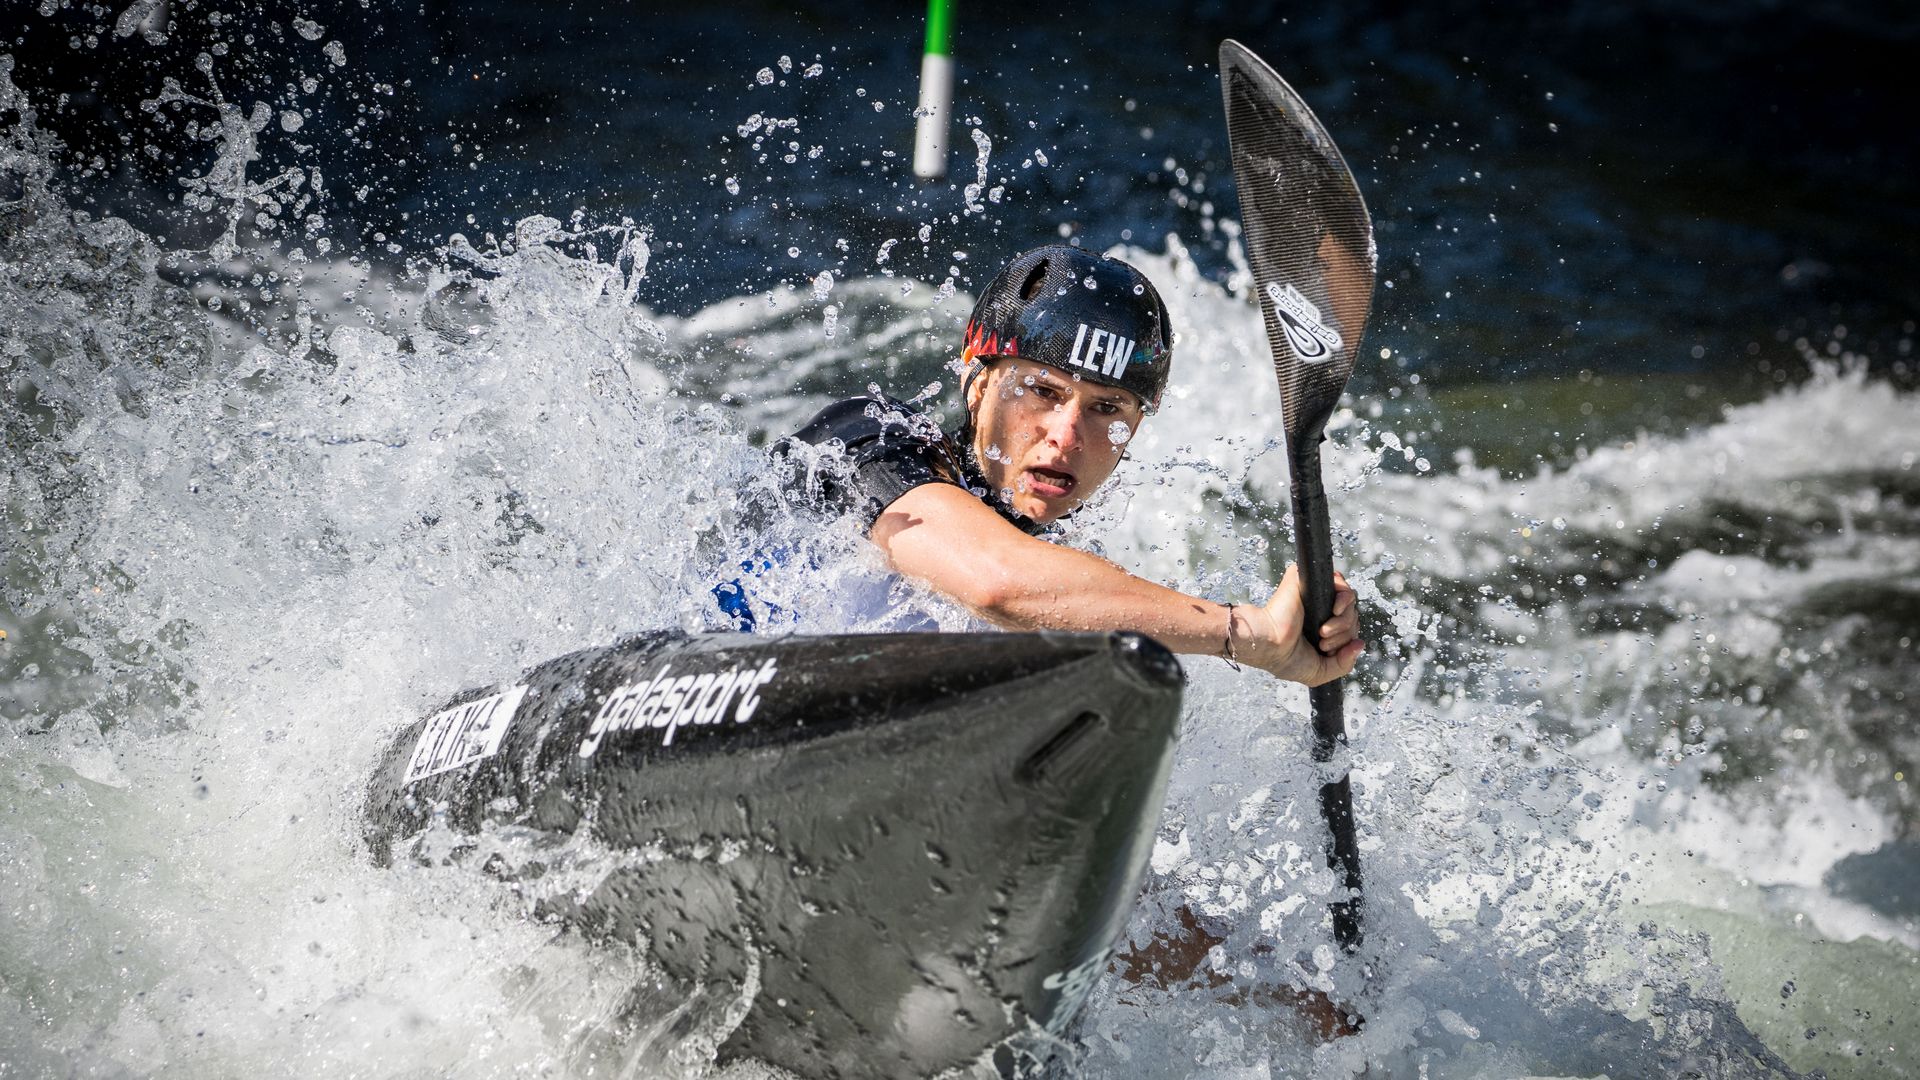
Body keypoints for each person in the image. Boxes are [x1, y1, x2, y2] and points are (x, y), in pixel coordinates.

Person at [724, 243, 1363, 686]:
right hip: (697, 699)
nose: (1067, 437)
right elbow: (995, 582)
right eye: (1045, 391)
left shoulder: (1073, 582)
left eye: (1106, 408)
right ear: (977, 384)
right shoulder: (865, 440)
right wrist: (1245, 633)